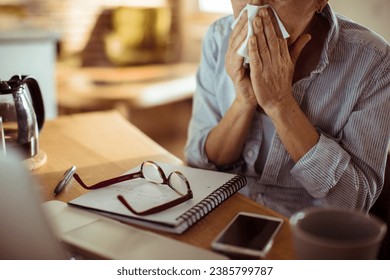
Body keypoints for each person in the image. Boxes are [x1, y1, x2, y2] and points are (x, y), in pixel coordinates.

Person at [184, 0, 390, 217]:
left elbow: (354, 202)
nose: (255, 4)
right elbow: (199, 165)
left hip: (305, 231)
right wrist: (243, 102)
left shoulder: (374, 63)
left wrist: (280, 103)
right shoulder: (219, 36)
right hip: (223, 213)